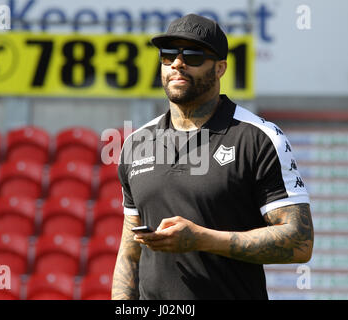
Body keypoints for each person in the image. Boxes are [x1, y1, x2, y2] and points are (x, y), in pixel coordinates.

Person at [111, 13, 313, 300]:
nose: (177, 63)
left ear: (220, 68)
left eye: (193, 55)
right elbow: (130, 255)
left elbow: (299, 242)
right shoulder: (136, 142)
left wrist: (203, 239)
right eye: (168, 55)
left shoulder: (259, 137)